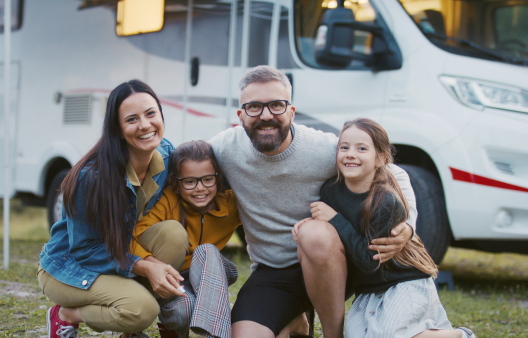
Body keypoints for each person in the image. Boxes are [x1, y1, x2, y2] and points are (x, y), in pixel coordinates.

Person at [208, 65, 417, 338]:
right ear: (240, 115)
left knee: (313, 232)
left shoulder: (322, 149)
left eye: (276, 105)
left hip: (336, 262)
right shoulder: (224, 148)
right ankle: (296, 319)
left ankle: (333, 334)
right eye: (254, 107)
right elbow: (184, 165)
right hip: (276, 272)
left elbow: (395, 173)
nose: (266, 115)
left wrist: (409, 224)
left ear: (291, 112)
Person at [293, 118, 476, 338]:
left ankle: (461, 335)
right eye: (344, 147)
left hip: (404, 283)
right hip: (369, 290)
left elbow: (370, 261)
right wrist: (308, 223)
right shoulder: (331, 191)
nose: (350, 154)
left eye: (361, 148)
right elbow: (330, 234)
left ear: (380, 158)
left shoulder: (386, 201)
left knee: (389, 336)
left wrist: (334, 219)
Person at [38, 79, 189, 338]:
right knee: (141, 310)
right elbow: (85, 249)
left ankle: (157, 324)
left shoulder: (165, 153)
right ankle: (65, 315)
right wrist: (144, 266)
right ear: (117, 129)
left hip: (120, 254)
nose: (145, 125)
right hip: (71, 266)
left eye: (151, 114)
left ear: (161, 115)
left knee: (173, 234)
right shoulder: (92, 178)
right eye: (132, 119)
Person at [133, 140, 241, 338]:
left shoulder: (230, 204)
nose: (200, 188)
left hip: (208, 270)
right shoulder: (168, 201)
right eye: (190, 181)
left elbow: (263, 217)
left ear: (218, 178)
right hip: (171, 276)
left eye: (208, 179)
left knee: (207, 251)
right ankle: (172, 328)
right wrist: (152, 266)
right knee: (184, 307)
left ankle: (216, 333)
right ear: (177, 181)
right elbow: (134, 239)